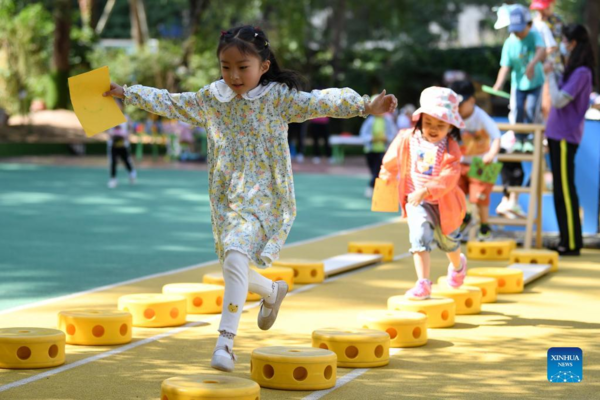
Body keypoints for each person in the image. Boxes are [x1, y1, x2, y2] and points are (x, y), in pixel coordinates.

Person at [103, 25, 397, 371]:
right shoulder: (212, 99)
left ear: (264, 66)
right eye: (226, 67)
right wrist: (126, 92)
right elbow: (170, 101)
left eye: (243, 67)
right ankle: (272, 292)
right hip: (225, 197)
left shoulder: (278, 98)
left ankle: (225, 343)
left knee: (236, 255)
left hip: (266, 196)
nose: (233, 76)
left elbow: (321, 100)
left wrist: (367, 104)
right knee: (233, 264)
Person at [378, 87, 467, 300]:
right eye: (428, 124)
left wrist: (427, 190)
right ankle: (423, 283)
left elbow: (450, 174)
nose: (434, 129)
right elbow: (390, 162)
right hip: (415, 199)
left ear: (450, 126)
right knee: (418, 236)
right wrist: (385, 179)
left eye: (440, 125)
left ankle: (458, 265)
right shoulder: (407, 139)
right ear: (419, 119)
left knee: (448, 243)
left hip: (444, 203)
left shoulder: (450, 148)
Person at [544, 24, 596, 256]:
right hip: (557, 135)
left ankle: (572, 242)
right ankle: (566, 238)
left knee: (565, 189)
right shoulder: (574, 70)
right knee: (559, 188)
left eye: (565, 41)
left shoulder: (582, 72)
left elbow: (559, 100)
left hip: (565, 137)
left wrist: (549, 76)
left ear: (573, 43)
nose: (563, 45)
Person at [450, 80, 501, 240]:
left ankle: (485, 227)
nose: (457, 108)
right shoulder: (454, 118)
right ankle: (465, 217)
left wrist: (491, 154)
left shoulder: (480, 116)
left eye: (460, 104)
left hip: (483, 163)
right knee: (453, 190)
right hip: (463, 161)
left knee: (479, 197)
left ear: (471, 100)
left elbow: (497, 137)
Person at [493, 4, 546, 152]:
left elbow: (541, 50)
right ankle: (519, 139)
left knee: (531, 109)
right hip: (518, 84)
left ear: (529, 25)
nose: (518, 33)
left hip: (535, 82)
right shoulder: (510, 43)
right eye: (515, 29)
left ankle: (529, 139)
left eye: (521, 29)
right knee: (517, 109)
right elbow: (505, 66)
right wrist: (499, 84)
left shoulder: (534, 36)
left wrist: (531, 65)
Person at [531, 0, 564, 119]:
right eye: (538, 9)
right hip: (535, 68)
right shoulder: (532, 22)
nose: (540, 12)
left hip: (552, 68)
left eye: (543, 8)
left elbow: (555, 47)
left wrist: (539, 56)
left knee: (549, 104)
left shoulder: (557, 22)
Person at [359, 103, 397, 197]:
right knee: (373, 171)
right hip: (370, 150)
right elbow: (363, 133)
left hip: (383, 150)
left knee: (377, 170)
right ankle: (377, 187)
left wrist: (387, 138)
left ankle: (371, 187)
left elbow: (393, 133)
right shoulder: (370, 120)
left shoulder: (387, 120)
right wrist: (370, 138)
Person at [106, 100, 136, 189]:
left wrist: (127, 135)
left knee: (126, 160)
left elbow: (130, 128)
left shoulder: (126, 117)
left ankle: (132, 173)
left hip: (123, 144)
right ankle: (113, 179)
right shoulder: (109, 117)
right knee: (113, 162)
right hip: (113, 143)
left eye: (117, 104)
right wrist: (110, 134)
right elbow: (107, 130)